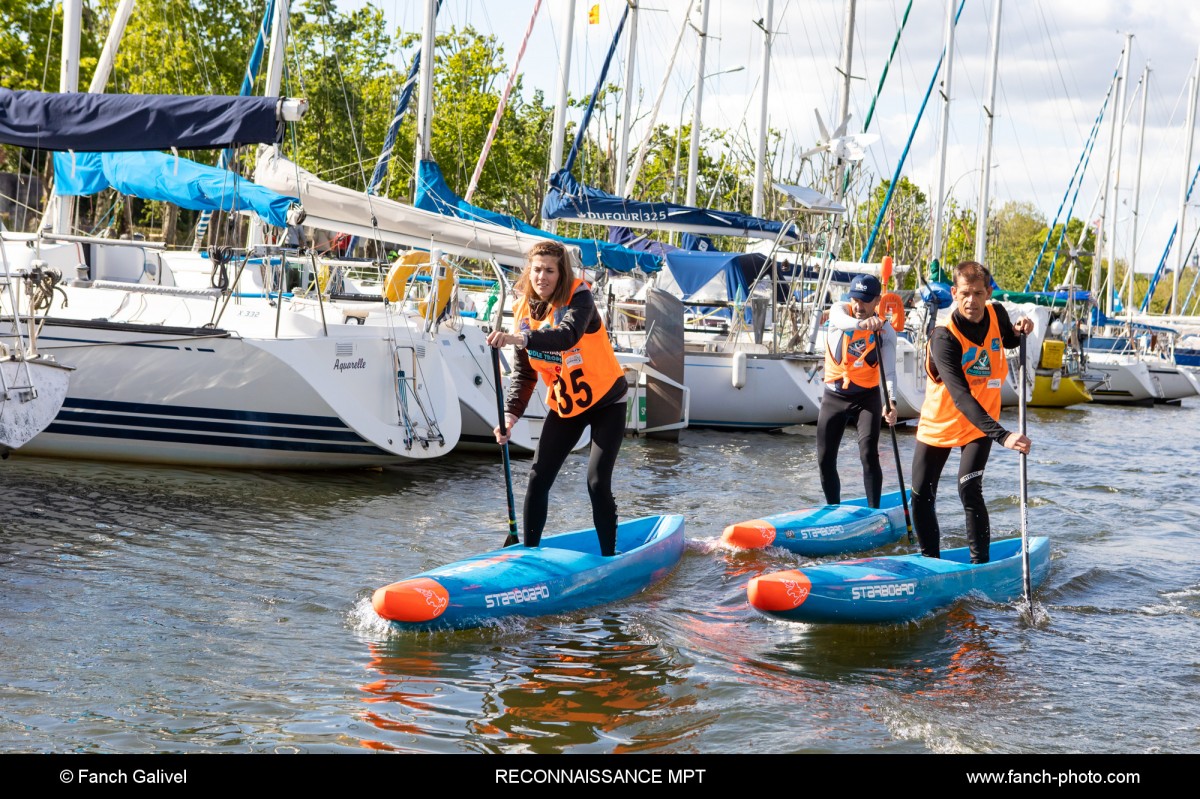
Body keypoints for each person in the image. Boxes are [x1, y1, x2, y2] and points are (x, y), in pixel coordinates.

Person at [487, 241, 629, 557]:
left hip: (607, 402)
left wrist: (520, 339)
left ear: (561, 273)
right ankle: (530, 557)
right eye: (537, 270)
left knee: (596, 481)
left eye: (550, 270)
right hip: (567, 407)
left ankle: (609, 558)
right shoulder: (522, 311)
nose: (543, 277)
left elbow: (567, 336)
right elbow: (525, 375)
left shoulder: (579, 297)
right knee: (538, 478)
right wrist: (509, 416)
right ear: (529, 271)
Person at [911, 260, 1034, 564]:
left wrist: (1021, 330)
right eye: (965, 293)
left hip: (979, 424)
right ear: (954, 293)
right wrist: (1003, 436)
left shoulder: (996, 313)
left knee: (969, 488)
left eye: (978, 293)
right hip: (941, 423)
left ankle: (980, 565)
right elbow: (961, 397)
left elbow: (1008, 339)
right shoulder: (943, 337)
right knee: (921, 494)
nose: (971, 301)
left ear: (988, 293)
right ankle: (930, 562)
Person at [817, 273, 898, 509]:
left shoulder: (886, 331)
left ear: (877, 301)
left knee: (868, 455)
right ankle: (833, 509)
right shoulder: (839, 311)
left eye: (865, 301)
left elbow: (889, 372)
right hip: (834, 397)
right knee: (825, 459)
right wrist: (862, 325)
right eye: (855, 299)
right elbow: (842, 321)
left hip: (867, 398)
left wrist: (891, 402)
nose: (859, 306)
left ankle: (874, 512)